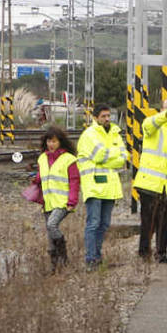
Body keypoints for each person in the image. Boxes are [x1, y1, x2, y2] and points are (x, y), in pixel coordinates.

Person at [135, 98, 167, 264]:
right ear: (161, 109)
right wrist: (164, 115)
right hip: (149, 182)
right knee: (148, 221)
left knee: (165, 222)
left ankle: (162, 252)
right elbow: (149, 125)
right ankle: (144, 253)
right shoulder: (153, 125)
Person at [77, 104, 127, 270]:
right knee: (93, 223)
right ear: (96, 117)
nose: (107, 119)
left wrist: (109, 156)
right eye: (104, 116)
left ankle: (97, 256)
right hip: (94, 185)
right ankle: (91, 258)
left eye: (108, 116)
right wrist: (113, 155)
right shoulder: (89, 135)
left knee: (104, 224)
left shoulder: (114, 133)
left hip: (110, 187)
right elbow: (100, 154)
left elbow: (123, 157)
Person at [31, 126, 80, 273]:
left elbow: (74, 181)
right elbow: (42, 177)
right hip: (48, 202)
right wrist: (35, 180)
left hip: (62, 202)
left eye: (54, 141)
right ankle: (54, 267)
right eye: (49, 141)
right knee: (50, 234)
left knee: (52, 225)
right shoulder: (42, 158)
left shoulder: (69, 159)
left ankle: (63, 257)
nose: (51, 144)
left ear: (60, 142)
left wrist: (72, 201)